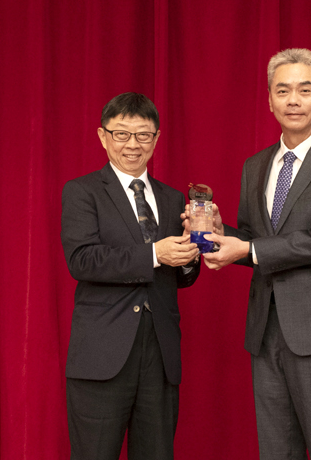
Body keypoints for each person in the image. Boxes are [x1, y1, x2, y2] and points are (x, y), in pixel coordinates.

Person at [203, 48, 311, 460]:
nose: (293, 100)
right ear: (269, 100)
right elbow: (253, 241)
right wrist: (219, 234)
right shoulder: (256, 165)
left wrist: (248, 247)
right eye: (282, 91)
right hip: (266, 330)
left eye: (304, 89)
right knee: (276, 451)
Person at [62, 92, 200, 460]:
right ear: (103, 136)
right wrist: (155, 254)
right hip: (102, 355)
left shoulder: (174, 199)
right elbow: (82, 260)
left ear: (156, 138)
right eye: (121, 134)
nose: (132, 145)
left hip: (160, 353)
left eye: (143, 135)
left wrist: (190, 255)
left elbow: (180, 277)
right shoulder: (82, 192)